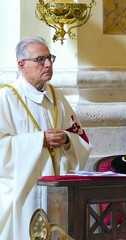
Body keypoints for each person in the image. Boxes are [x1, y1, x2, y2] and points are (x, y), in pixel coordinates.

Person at [0, 36, 92, 239]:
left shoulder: (58, 97)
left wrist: (67, 140)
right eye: (40, 60)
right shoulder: (6, 98)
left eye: (50, 58)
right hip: (24, 190)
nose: (48, 64)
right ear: (22, 65)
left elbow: (81, 138)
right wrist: (38, 140)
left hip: (58, 192)